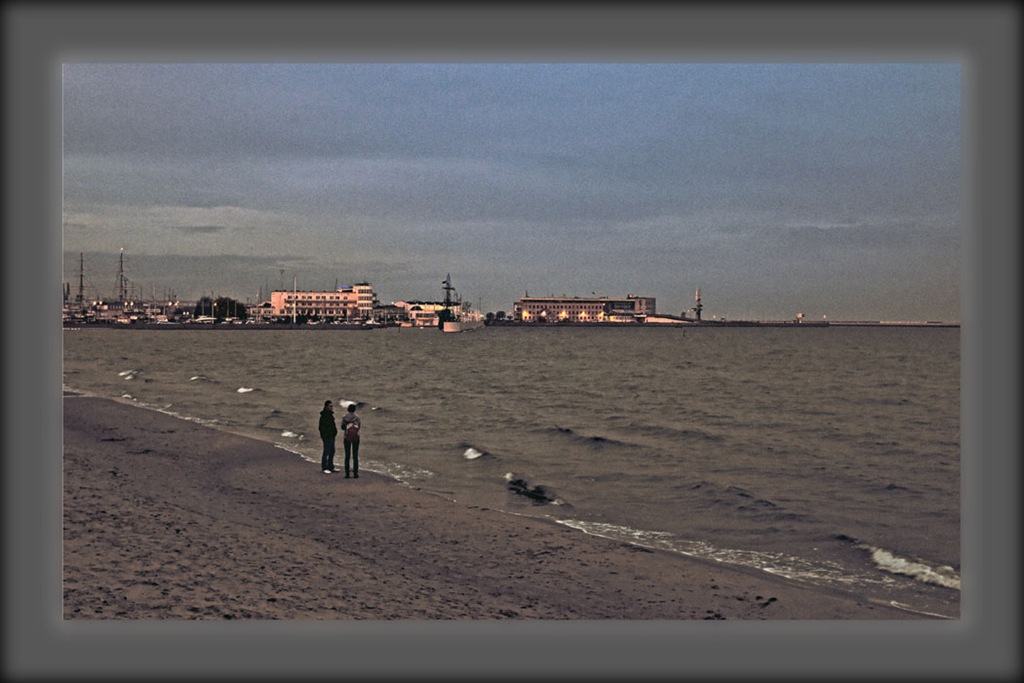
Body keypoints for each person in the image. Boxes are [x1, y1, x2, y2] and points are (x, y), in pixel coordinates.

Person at [341, 403, 361, 478]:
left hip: (347, 437)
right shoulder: (357, 417)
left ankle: (347, 474)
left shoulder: (344, 417)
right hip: (355, 437)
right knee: (355, 455)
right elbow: (358, 427)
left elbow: (342, 427)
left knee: (347, 455)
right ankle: (355, 473)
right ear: (354, 410)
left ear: (348, 409)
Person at [318, 400, 337, 474]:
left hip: (332, 435)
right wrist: (325, 435)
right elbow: (321, 427)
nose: (332, 407)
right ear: (326, 407)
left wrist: (334, 432)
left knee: (332, 451)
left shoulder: (330, 415)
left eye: (332, 406)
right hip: (327, 436)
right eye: (330, 406)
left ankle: (330, 466)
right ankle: (324, 467)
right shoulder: (324, 416)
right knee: (326, 451)